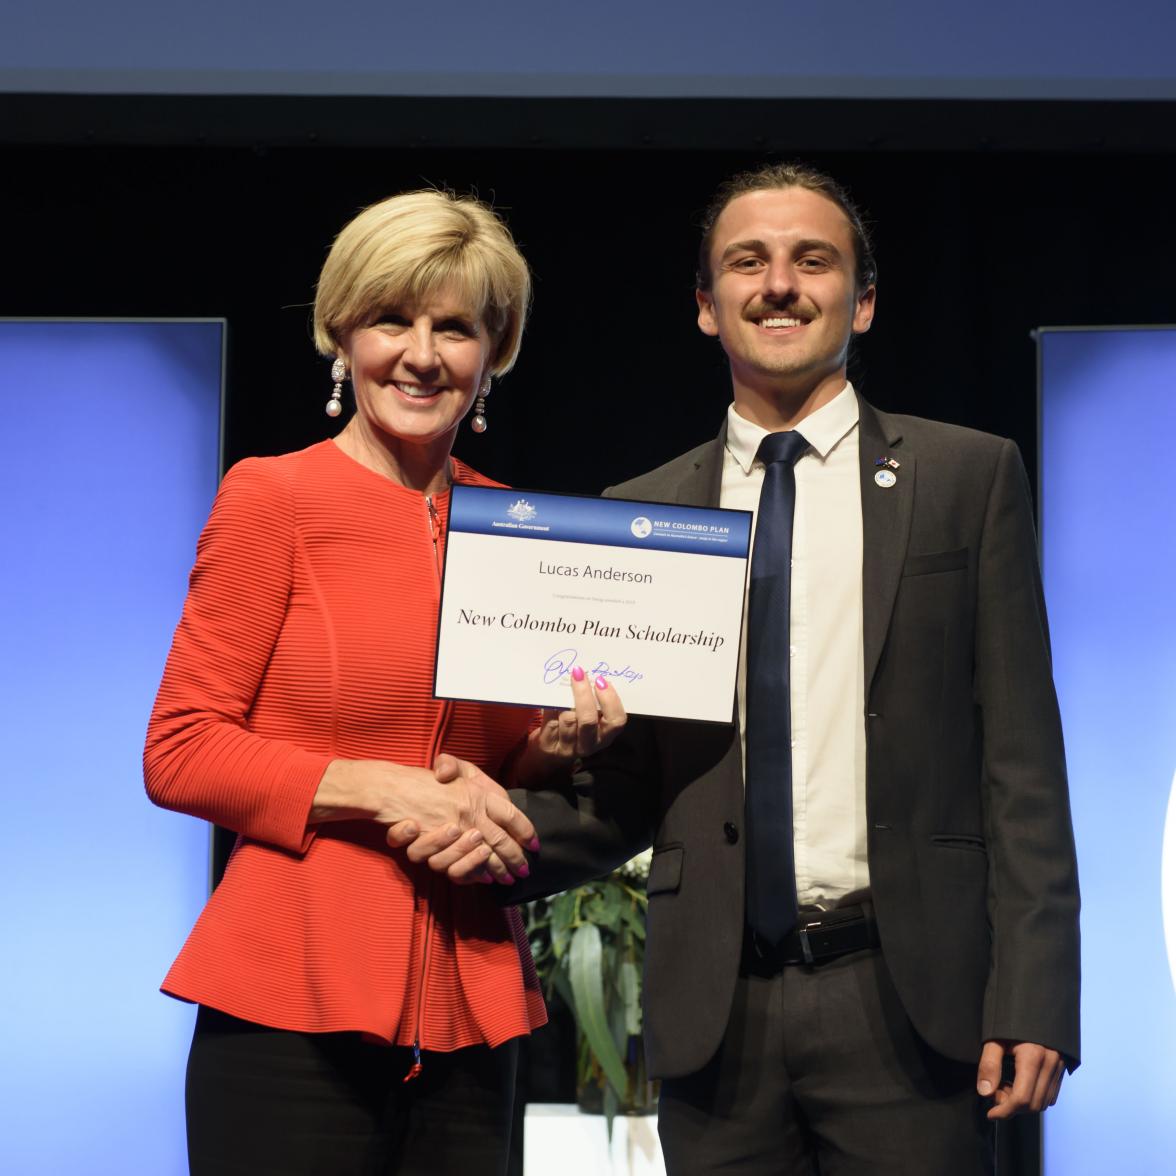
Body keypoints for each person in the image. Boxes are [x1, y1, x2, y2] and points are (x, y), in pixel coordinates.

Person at [499, 163, 1080, 1174]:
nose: (779, 284)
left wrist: (1035, 998)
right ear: (704, 307)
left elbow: (1022, 768)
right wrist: (499, 806)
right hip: (714, 1019)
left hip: (907, 1007)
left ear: (861, 301)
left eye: (813, 261)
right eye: (747, 263)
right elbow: (628, 796)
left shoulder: (966, 478)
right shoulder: (645, 513)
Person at [144, 188, 624, 1176]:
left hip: (469, 1002)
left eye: (455, 328)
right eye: (390, 319)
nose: (421, 352)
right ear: (339, 333)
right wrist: (378, 785)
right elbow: (181, 749)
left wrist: (552, 749)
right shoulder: (272, 497)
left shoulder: (520, 525)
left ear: (496, 350)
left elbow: (483, 760)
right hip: (290, 1001)